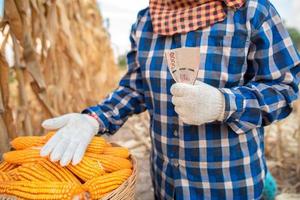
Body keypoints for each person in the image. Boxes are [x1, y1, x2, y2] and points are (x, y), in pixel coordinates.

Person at [40, 0, 300, 199]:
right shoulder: (146, 21)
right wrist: (93, 120)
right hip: (166, 185)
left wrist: (224, 104)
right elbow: (135, 87)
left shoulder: (253, 12)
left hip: (229, 185)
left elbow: (284, 87)